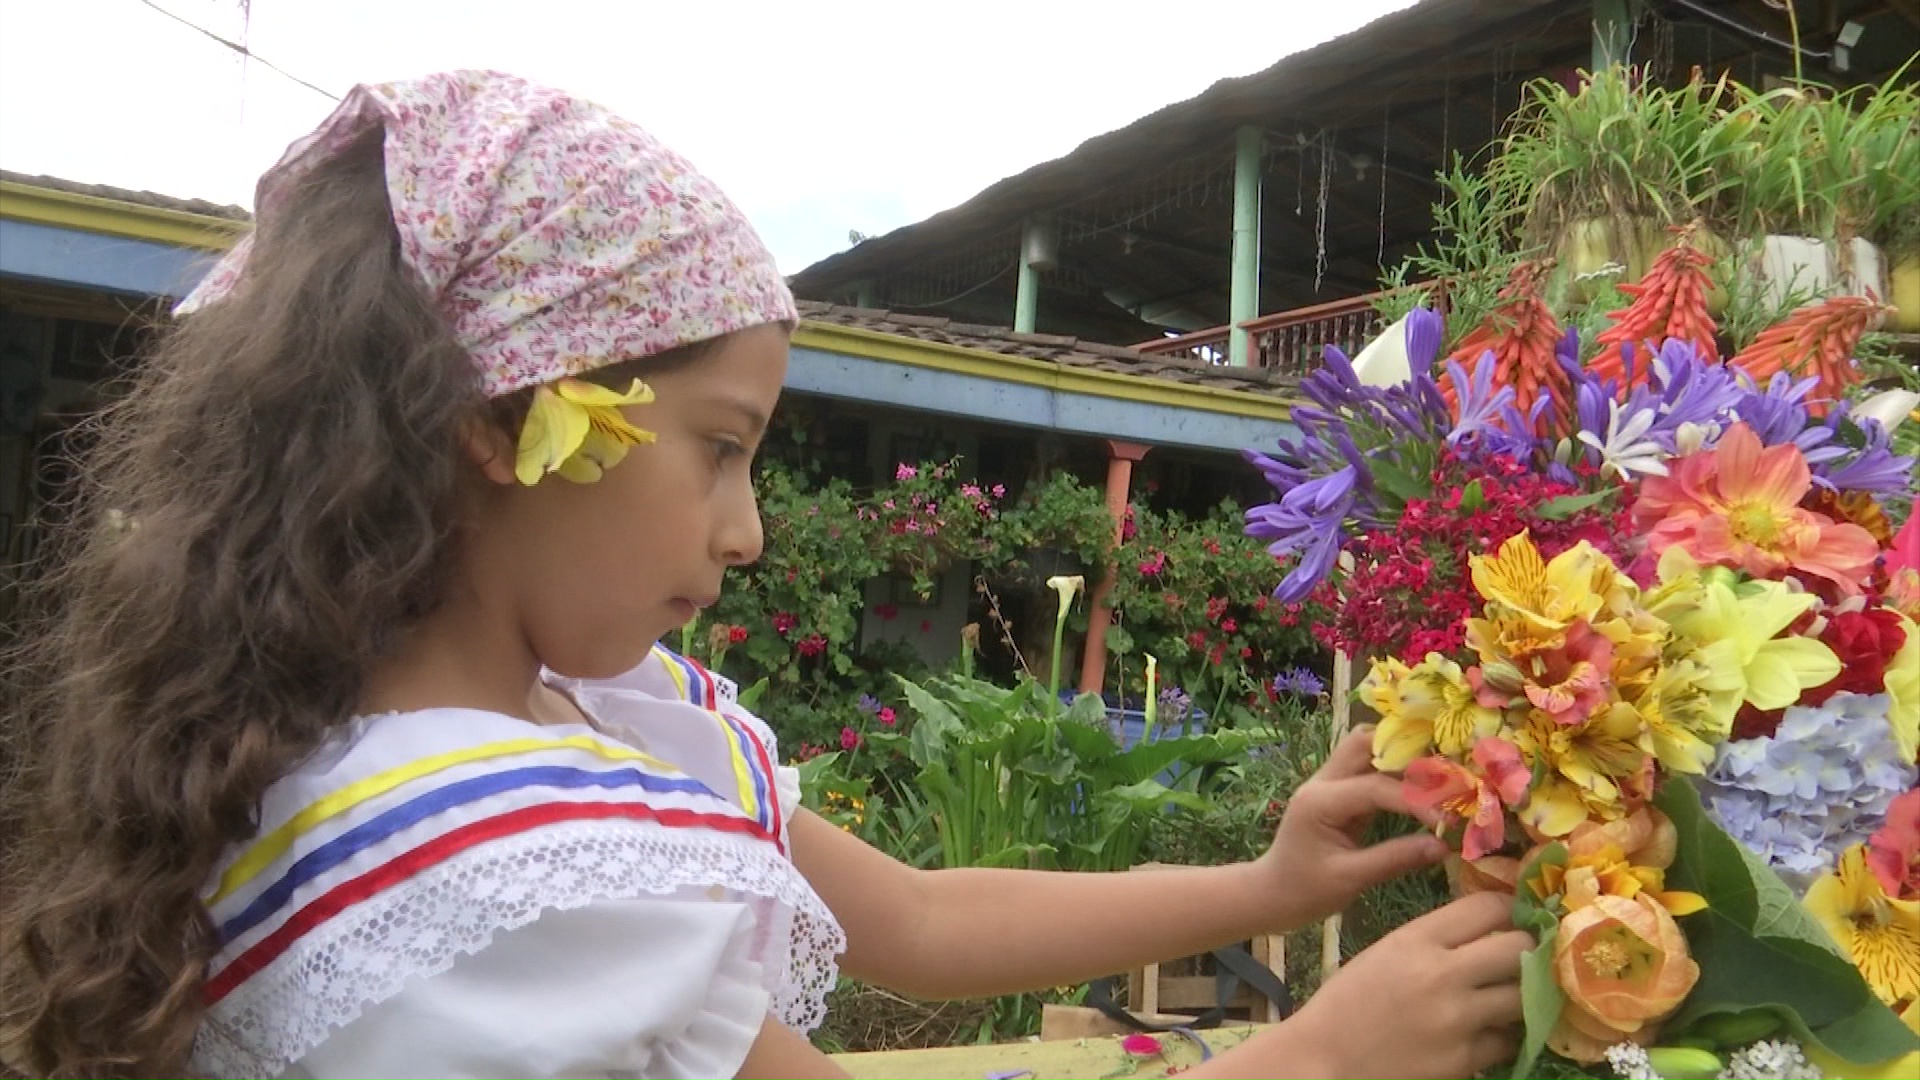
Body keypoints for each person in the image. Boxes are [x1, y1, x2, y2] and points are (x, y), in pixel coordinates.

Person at [0, 71, 1528, 1080]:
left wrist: (1264, 888)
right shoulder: (502, 856)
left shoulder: (425, 742)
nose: (748, 534)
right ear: (507, 426)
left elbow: (917, 922)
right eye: (719, 449)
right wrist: (1319, 1055)